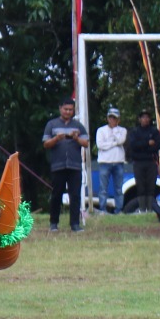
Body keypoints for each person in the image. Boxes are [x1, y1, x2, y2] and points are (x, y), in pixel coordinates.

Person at [42, 98, 89, 232]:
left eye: (70, 110)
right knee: (56, 194)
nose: (68, 112)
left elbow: (86, 143)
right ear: (60, 109)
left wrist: (76, 138)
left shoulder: (78, 125)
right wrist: (57, 138)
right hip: (58, 165)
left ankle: (75, 224)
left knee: (75, 195)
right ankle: (53, 223)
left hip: (75, 165)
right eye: (66, 109)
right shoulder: (52, 124)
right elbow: (45, 144)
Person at [126, 111, 160, 213]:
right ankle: (142, 209)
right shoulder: (135, 131)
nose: (145, 119)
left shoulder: (154, 131)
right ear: (139, 119)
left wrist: (142, 146)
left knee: (151, 186)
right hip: (138, 162)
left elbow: (158, 145)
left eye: (147, 117)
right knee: (140, 186)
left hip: (151, 161)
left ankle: (150, 209)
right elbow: (133, 145)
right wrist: (147, 143)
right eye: (143, 117)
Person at [93, 107, 128, 214]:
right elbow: (100, 145)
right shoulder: (101, 130)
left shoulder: (122, 130)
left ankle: (119, 209)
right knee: (103, 188)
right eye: (111, 117)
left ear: (118, 119)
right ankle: (103, 209)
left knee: (118, 188)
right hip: (105, 162)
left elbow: (121, 141)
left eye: (115, 118)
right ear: (108, 118)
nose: (112, 120)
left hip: (118, 162)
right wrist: (113, 143)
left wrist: (114, 133)